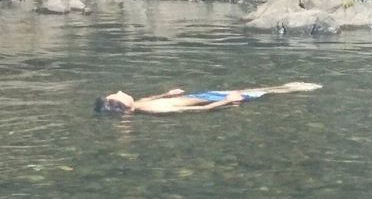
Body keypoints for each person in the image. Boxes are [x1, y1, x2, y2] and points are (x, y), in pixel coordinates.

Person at [94, 81, 321, 115]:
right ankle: (302, 88)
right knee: (264, 93)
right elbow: (197, 110)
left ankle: (294, 86)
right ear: (125, 109)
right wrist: (228, 101)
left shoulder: (141, 104)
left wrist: (167, 93)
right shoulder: (154, 111)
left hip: (199, 95)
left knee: (263, 88)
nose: (121, 91)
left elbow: (152, 98)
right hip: (206, 100)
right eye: (118, 95)